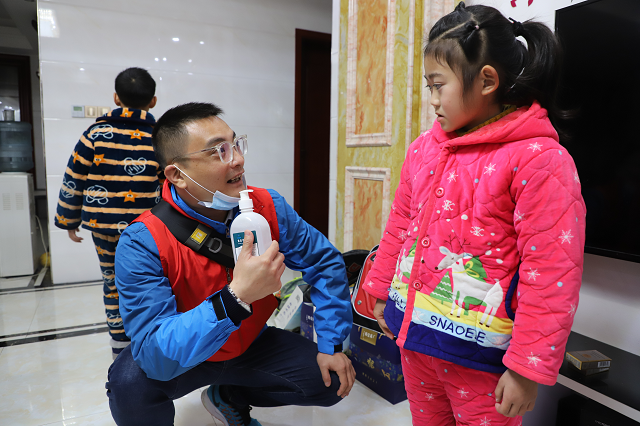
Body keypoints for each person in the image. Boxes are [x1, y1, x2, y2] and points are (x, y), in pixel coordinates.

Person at [365, 3, 586, 425]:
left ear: (486, 80)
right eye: (429, 87)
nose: (432, 100)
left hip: (481, 360)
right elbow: (400, 226)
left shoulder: (539, 160)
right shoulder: (423, 149)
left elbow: (552, 272)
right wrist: (379, 289)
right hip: (416, 342)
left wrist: (526, 368)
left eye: (438, 86)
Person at [106, 102, 355, 426]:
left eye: (236, 144)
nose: (237, 159)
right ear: (177, 175)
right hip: (185, 359)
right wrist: (234, 299)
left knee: (332, 379)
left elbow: (324, 262)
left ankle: (229, 396)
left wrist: (331, 343)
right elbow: (156, 356)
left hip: (251, 342)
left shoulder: (268, 206)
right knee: (129, 386)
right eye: (218, 151)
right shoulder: (143, 241)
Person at [54, 67, 162, 359]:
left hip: (104, 227)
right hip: (148, 229)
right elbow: (168, 182)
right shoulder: (159, 137)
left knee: (113, 283)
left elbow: (74, 177)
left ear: (116, 98)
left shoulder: (94, 134)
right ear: (153, 101)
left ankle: (120, 349)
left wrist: (68, 220)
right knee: (150, 280)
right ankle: (150, 339)